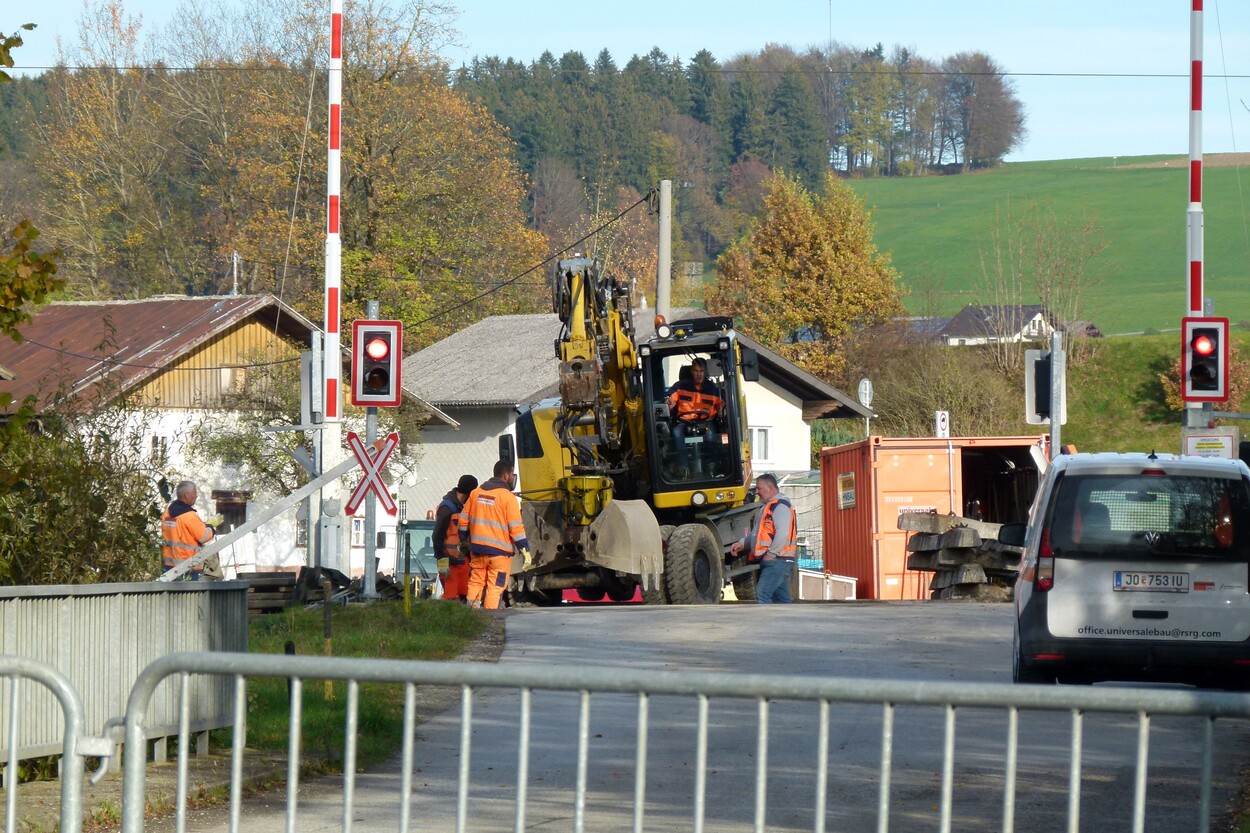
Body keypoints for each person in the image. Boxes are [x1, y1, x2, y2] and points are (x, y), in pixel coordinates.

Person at [460, 460, 531, 609]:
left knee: (476, 582)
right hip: (499, 554)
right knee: (495, 587)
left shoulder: (476, 493)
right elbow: (516, 528)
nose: (512, 477)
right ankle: (490, 619)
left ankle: (471, 617)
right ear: (506, 475)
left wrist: (464, 540)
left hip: (478, 551)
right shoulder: (508, 498)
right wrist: (525, 550)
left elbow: (463, 521)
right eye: (512, 474)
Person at [729, 473, 797, 604]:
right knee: (782, 600)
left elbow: (782, 533)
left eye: (759, 488)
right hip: (777, 560)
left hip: (777, 560)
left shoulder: (780, 506)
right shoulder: (767, 507)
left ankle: (766, 624)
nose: (756, 492)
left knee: (762, 594)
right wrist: (742, 543)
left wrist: (770, 555)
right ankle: (787, 623)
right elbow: (758, 534)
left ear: (770, 488)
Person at [666, 357, 724, 471]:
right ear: (691, 371)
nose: (699, 374)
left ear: (705, 372)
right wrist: (668, 402)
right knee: (677, 433)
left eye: (701, 371)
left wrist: (722, 410)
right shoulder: (680, 386)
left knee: (711, 435)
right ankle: (684, 467)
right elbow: (669, 398)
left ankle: (711, 465)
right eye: (696, 371)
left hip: (706, 423)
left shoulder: (714, 389)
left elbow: (722, 404)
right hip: (684, 423)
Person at [432, 474, 478, 603]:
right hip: (448, 560)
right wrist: (441, 557)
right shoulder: (446, 509)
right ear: (470, 493)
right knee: (450, 596)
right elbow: (437, 535)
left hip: (461, 560)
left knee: (463, 596)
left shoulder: (460, 508)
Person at [161, 480, 217, 581]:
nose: (196, 496)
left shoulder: (167, 513)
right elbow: (203, 536)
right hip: (188, 566)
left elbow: (178, 533)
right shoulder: (189, 516)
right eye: (195, 492)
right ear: (187, 495)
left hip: (169, 565)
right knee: (191, 596)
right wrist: (211, 527)